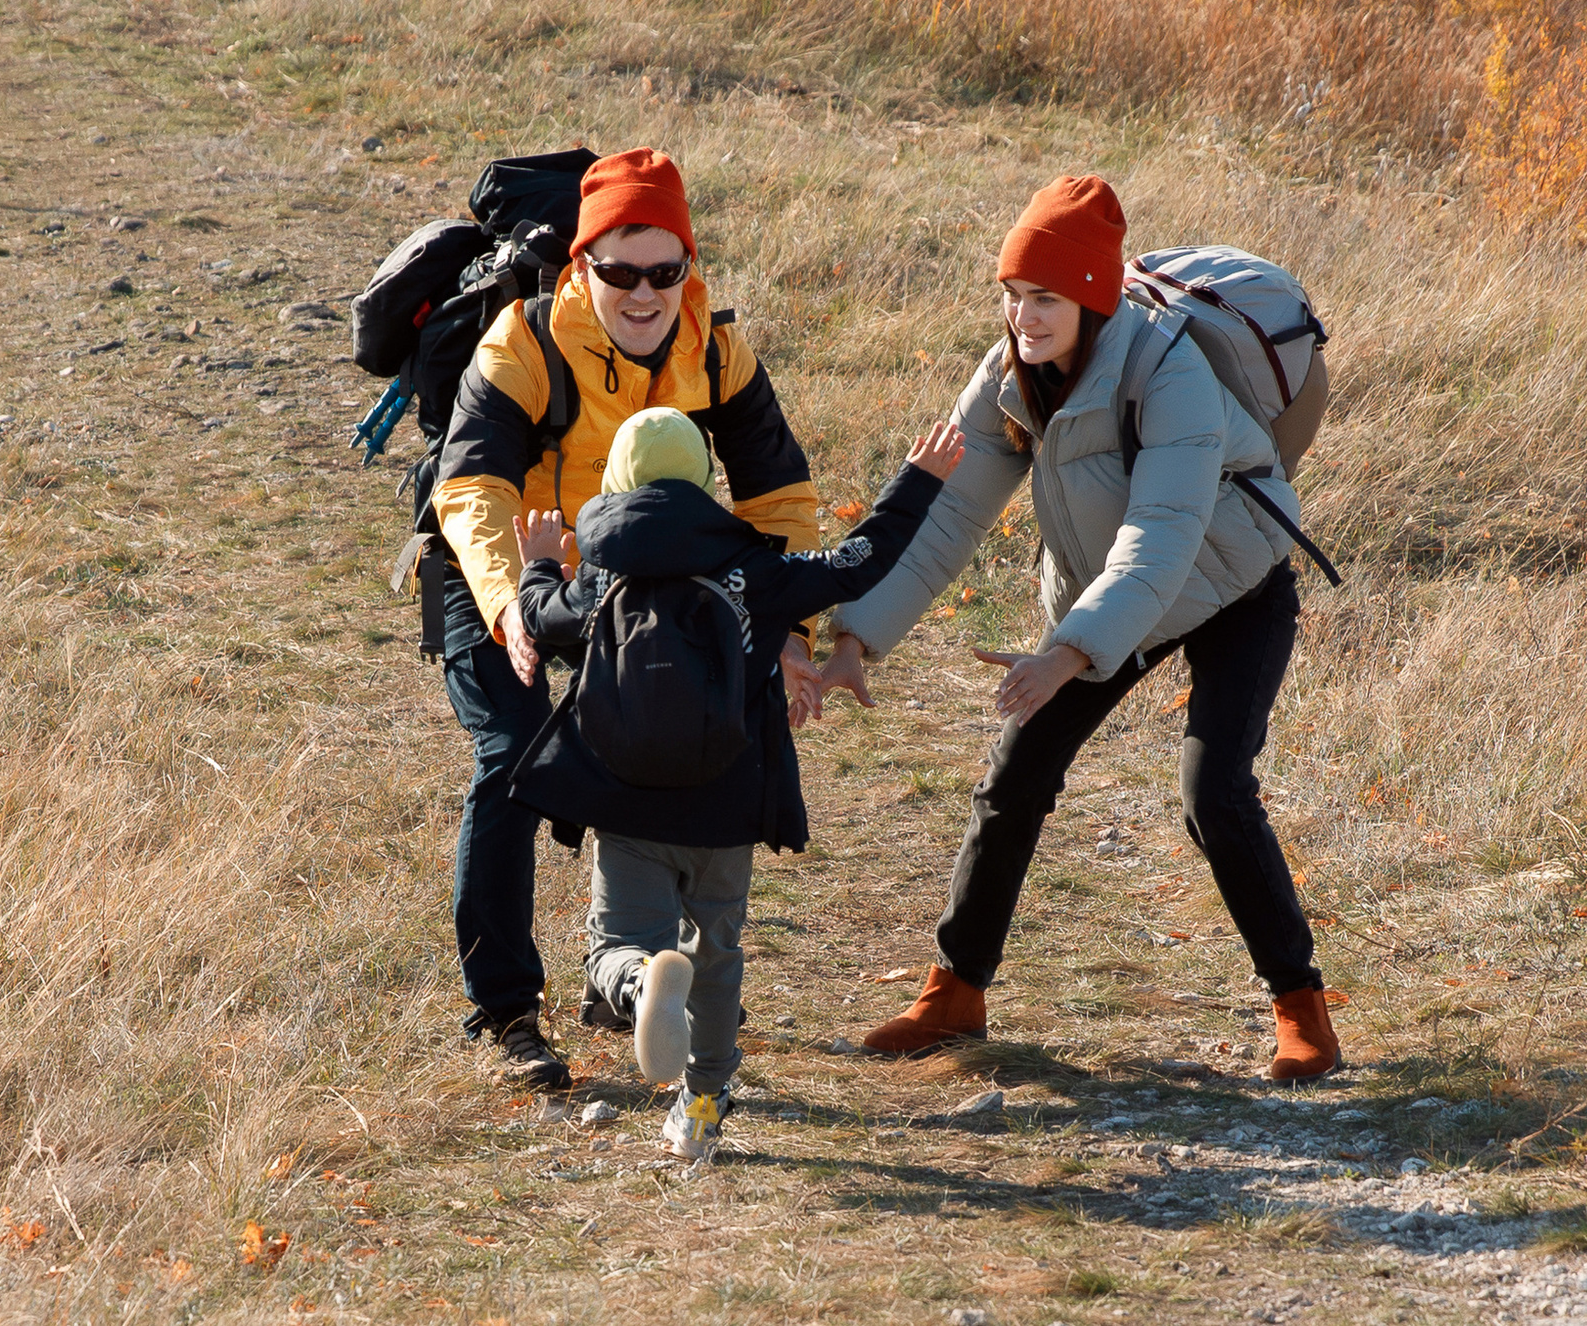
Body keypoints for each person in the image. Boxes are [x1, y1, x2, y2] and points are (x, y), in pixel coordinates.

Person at [823, 175, 1342, 1080]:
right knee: (1016, 771)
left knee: (1214, 791)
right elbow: (949, 517)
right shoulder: (1007, 376)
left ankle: (1302, 1009)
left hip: (1233, 577)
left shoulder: (1170, 371)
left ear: (1094, 299)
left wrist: (1068, 652)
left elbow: (1161, 540)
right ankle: (956, 993)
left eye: (1047, 299)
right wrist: (854, 637)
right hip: (1115, 596)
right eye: (1014, 294)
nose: (1024, 317)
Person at [431, 147, 822, 1090]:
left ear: (688, 266)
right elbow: (473, 488)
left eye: (664, 270)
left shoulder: (714, 350)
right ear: (583, 265)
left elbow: (778, 497)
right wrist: (512, 606)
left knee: (683, 731)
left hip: (634, 585)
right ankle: (506, 1012)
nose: (644, 293)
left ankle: (631, 973)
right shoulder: (523, 344)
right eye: (619, 271)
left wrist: (792, 632)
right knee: (513, 758)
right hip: (498, 567)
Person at [508, 408, 967, 1155]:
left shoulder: (600, 577)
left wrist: (536, 560)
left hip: (628, 803)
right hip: (727, 802)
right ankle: (702, 1104)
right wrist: (918, 481)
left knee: (615, 945)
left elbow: (534, 616)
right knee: (716, 955)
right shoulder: (751, 570)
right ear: (705, 481)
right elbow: (859, 560)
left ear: (616, 484)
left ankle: (641, 983)